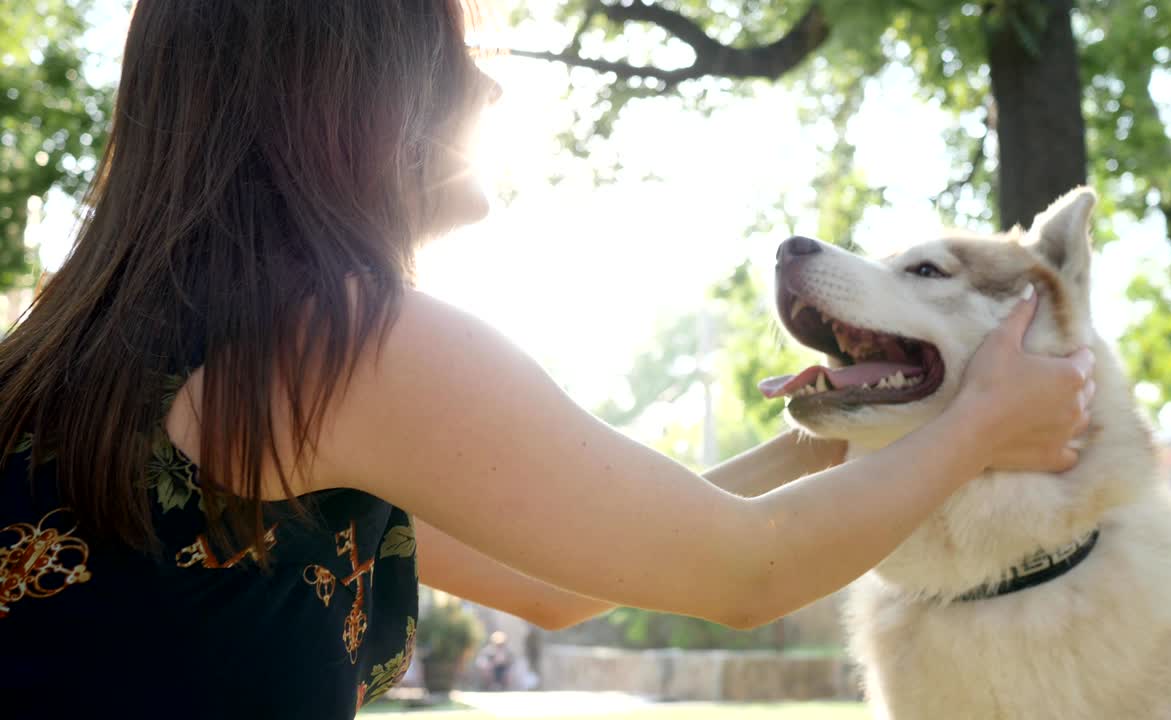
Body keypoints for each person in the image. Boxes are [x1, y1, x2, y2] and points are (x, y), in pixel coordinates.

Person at [0, 2, 1093, 719]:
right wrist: (977, 429)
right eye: (458, 61)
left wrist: (841, 424)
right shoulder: (342, 341)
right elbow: (744, 572)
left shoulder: (127, 340)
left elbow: (557, 586)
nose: (492, 94)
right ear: (355, 93)